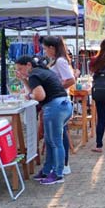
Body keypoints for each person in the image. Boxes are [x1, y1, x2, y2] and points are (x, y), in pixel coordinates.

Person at [15, 55, 72, 185]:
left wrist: (29, 95)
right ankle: (47, 170)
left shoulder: (34, 75)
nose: (20, 71)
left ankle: (58, 173)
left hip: (54, 108)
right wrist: (25, 80)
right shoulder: (43, 71)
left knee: (54, 142)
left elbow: (40, 95)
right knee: (50, 140)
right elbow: (36, 90)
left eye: (21, 68)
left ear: (29, 65)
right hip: (64, 105)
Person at [42, 36, 77, 175]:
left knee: (59, 136)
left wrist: (55, 87)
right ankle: (59, 165)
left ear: (52, 48)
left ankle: (63, 165)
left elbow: (70, 80)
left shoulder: (61, 61)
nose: (44, 51)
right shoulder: (56, 60)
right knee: (59, 134)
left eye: (45, 48)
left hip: (59, 101)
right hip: (57, 101)